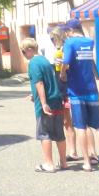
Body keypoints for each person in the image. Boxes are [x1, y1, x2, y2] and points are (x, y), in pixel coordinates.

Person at [62, 18, 99, 172]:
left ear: (71, 31)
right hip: (91, 88)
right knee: (98, 126)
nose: (66, 33)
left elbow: (66, 61)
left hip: (76, 90)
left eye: (66, 31)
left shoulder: (69, 43)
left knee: (80, 126)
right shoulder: (90, 41)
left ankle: (86, 162)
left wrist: (63, 73)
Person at [49, 26, 98, 165]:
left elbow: (73, 66)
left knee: (83, 123)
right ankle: (73, 152)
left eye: (52, 39)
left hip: (72, 88)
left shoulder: (69, 46)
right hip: (63, 89)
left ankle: (92, 154)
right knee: (67, 122)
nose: (52, 41)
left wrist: (63, 67)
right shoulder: (59, 49)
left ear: (57, 37)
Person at [20, 38, 67, 173]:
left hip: (46, 102)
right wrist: (34, 95)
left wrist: (43, 102)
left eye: (23, 52)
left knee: (45, 132)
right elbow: (48, 81)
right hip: (56, 98)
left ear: (30, 50)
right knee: (59, 132)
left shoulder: (33, 63)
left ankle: (49, 164)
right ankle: (63, 162)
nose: (24, 55)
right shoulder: (44, 60)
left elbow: (39, 83)